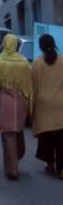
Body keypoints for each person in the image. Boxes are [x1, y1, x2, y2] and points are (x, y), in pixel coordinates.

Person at [0, 34, 32, 180]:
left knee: (8, 137)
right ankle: (15, 160)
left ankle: (12, 169)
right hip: (21, 103)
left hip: (5, 103)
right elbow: (29, 87)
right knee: (17, 132)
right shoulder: (23, 63)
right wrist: (30, 107)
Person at [32, 34, 63, 180]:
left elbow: (34, 87)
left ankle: (50, 165)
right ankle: (62, 169)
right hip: (60, 103)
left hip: (44, 104)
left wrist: (31, 107)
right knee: (61, 137)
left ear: (41, 47)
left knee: (46, 136)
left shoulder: (37, 64)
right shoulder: (62, 61)